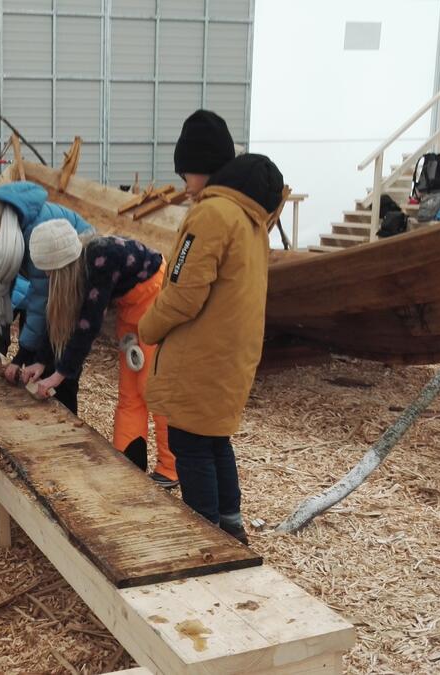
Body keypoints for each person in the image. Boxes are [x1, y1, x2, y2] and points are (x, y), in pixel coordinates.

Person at [138, 110, 283, 545]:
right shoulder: (250, 216)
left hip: (202, 353)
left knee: (190, 444)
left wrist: (148, 327)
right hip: (230, 351)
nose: (183, 181)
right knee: (215, 438)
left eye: (186, 170)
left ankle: (205, 536)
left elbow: (182, 292)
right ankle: (230, 524)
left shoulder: (211, 215)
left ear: (199, 165)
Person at [26, 220, 177, 488]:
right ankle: (129, 461)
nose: (48, 277)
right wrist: (41, 359)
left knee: (152, 389)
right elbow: (61, 316)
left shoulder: (100, 259)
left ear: (61, 263)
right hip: (130, 311)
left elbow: (87, 325)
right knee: (129, 391)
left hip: (154, 302)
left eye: (50, 271)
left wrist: (59, 375)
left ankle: (171, 467)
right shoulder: (75, 268)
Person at [0, 182, 94, 413]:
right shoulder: (3, 235)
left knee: (58, 353)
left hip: (72, 272)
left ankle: (67, 421)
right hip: (49, 284)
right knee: (37, 362)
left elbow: (43, 301)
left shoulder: (35, 232)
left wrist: (22, 356)